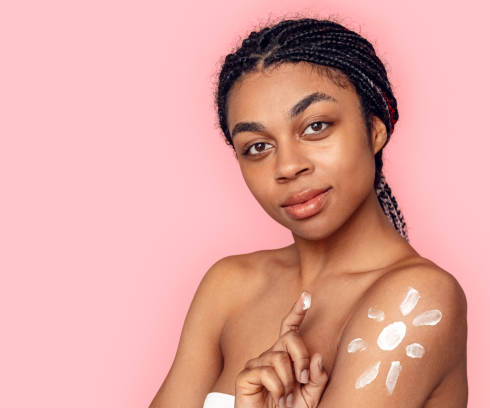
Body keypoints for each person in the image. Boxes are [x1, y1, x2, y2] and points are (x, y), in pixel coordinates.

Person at [150, 16, 468, 408]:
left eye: (316, 126)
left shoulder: (417, 300)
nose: (287, 166)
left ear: (375, 128)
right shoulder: (229, 286)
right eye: (257, 147)